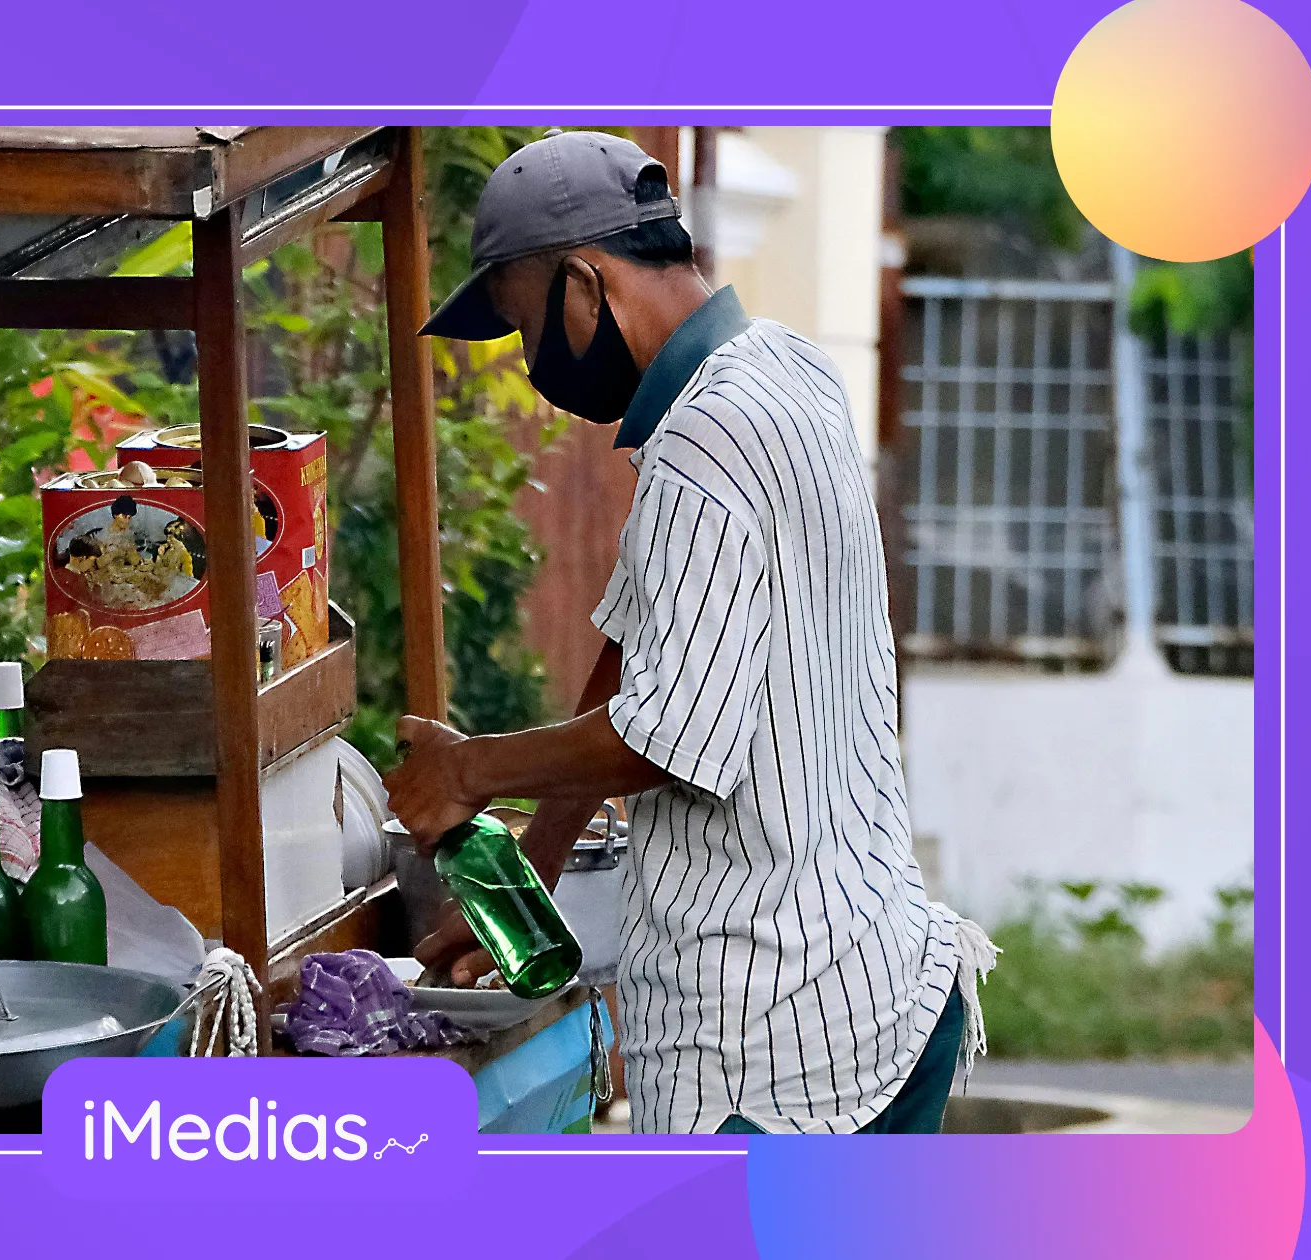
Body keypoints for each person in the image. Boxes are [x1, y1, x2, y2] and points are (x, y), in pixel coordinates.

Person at [384, 130, 993, 1134]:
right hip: (879, 984)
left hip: (774, 1054)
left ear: (586, 287)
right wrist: (538, 859)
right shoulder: (785, 367)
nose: (532, 365)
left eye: (526, 326)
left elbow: (662, 736)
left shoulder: (705, 441)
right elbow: (640, 646)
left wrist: (469, 771)